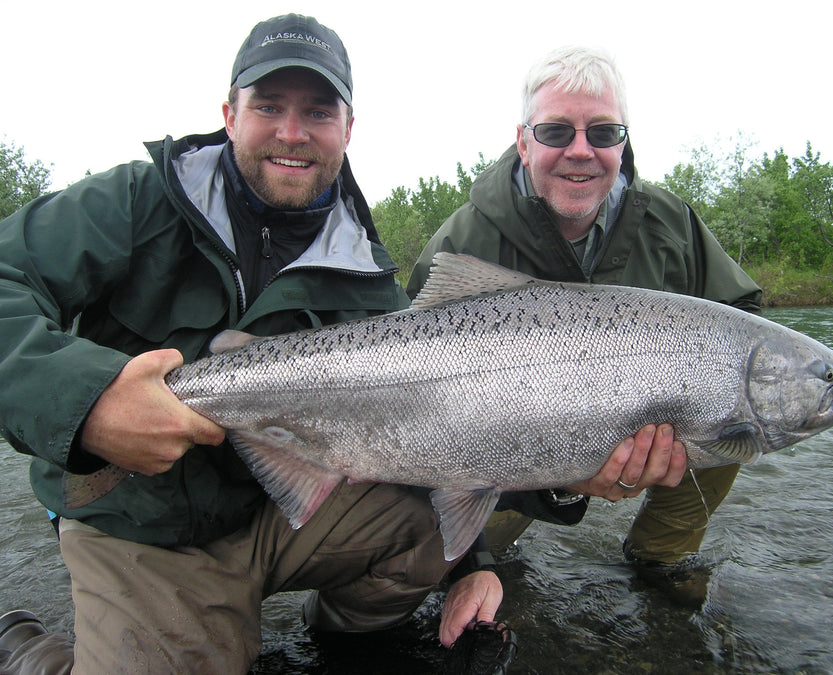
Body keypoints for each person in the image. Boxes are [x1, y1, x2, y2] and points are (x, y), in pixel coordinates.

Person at [0, 17, 683, 673]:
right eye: (269, 106)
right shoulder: (136, 200)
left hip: (274, 509)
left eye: (319, 112)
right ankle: (26, 649)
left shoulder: (367, 275)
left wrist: (477, 561)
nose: (292, 132)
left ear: (348, 128)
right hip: (142, 521)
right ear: (230, 114)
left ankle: (340, 642)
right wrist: (92, 402)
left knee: (424, 532)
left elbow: (450, 425)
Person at [408, 46, 763, 594]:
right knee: (435, 567)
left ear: (622, 142)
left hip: (657, 431)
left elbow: (745, 322)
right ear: (523, 142)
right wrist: (565, 480)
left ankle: (660, 559)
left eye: (602, 132)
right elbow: (409, 395)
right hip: (508, 450)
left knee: (737, 410)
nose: (581, 151)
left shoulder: (670, 223)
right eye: (556, 132)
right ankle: (483, 563)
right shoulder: (465, 239)